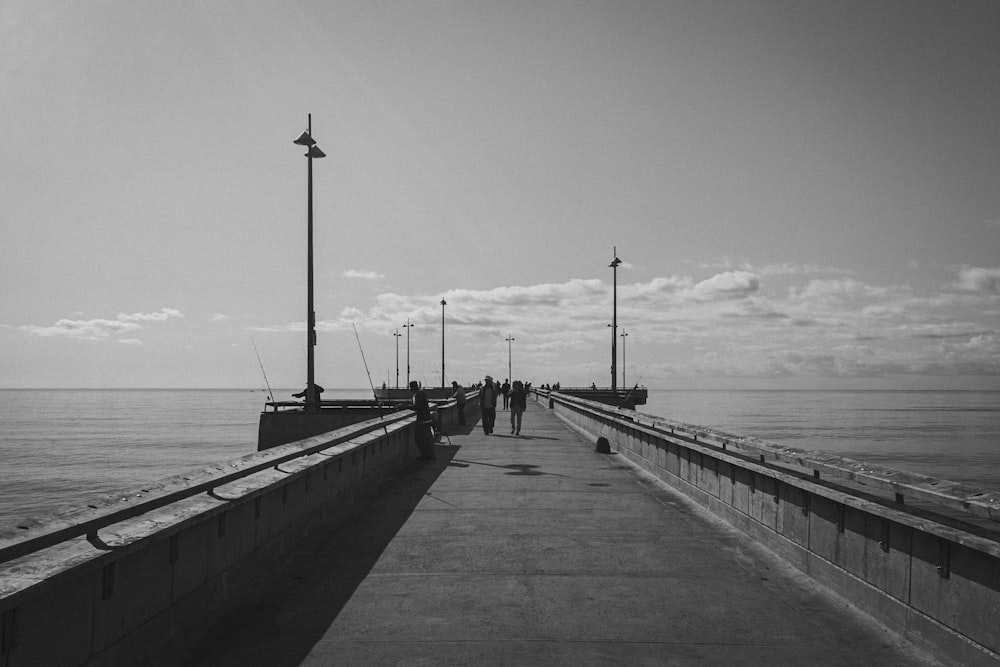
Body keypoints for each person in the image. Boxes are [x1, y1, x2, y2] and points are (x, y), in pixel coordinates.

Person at [410, 380, 436, 460]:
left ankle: (426, 456)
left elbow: (417, 406)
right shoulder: (420, 393)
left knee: (419, 438)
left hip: (423, 419)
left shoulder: (418, 394)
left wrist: (403, 407)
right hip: (426, 418)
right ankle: (429, 455)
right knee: (426, 438)